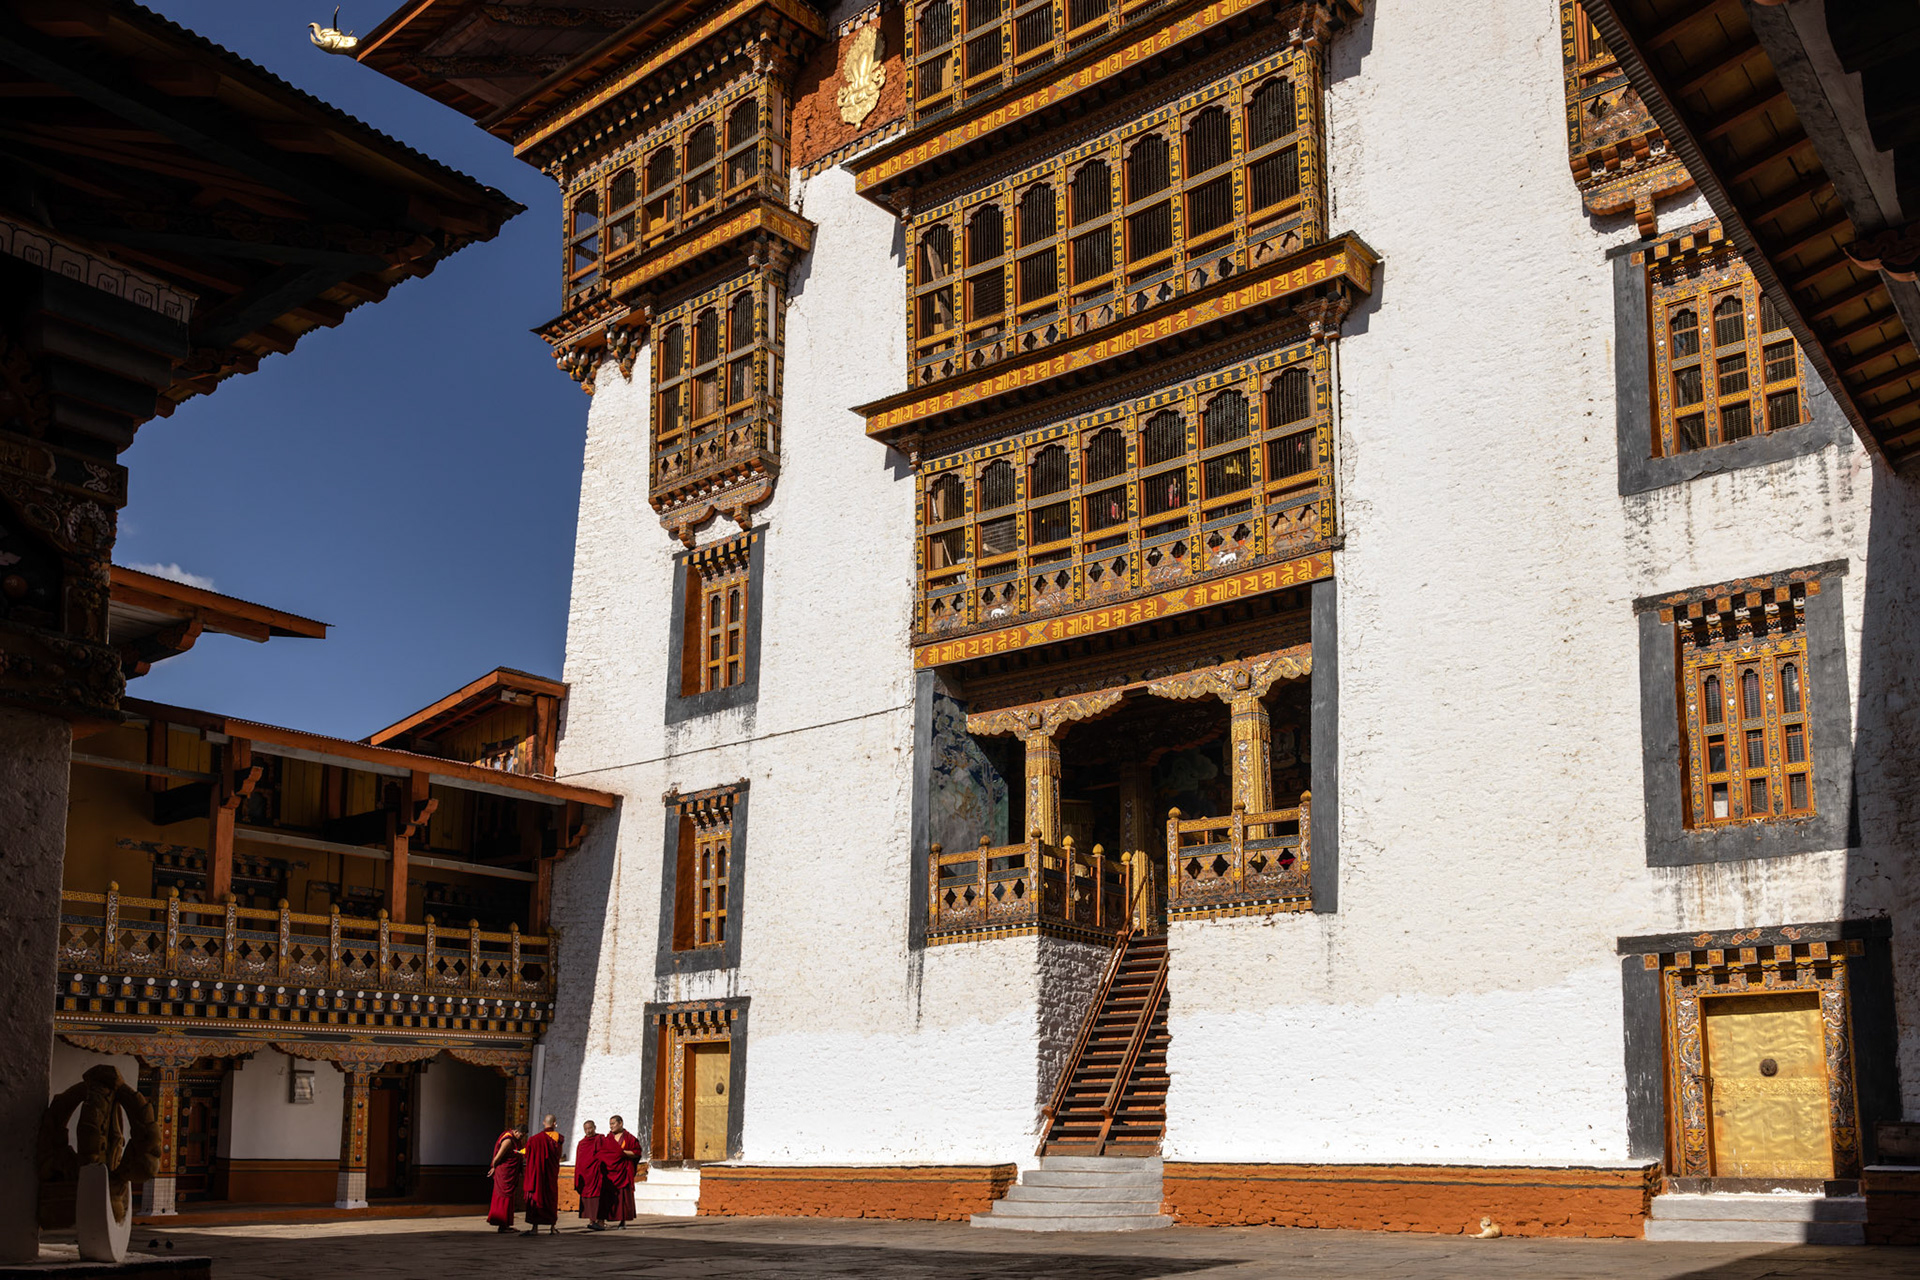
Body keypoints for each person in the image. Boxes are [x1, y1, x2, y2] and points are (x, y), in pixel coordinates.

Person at [521, 1114, 564, 1236]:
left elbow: (527, 1154)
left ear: (543, 1123)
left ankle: (535, 1228)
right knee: (550, 1199)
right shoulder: (558, 1138)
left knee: (536, 1199)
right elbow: (557, 1157)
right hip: (550, 1175)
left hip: (536, 1176)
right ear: (555, 1123)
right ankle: (552, 1228)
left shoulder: (534, 1139)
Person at [603, 1116, 642, 1228]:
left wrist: (622, 1153)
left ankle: (622, 1221)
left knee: (623, 1197)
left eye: (613, 1123)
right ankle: (607, 1217)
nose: (611, 1126)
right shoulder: (608, 1138)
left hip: (623, 1172)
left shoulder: (629, 1138)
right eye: (610, 1124)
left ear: (620, 1123)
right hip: (610, 1172)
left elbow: (637, 1152)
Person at [486, 1125, 525, 1234]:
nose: (521, 1138)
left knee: (509, 1199)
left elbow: (518, 1152)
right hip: (504, 1173)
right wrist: (493, 1167)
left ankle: (506, 1225)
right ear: (516, 1131)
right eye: (521, 1135)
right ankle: (502, 1225)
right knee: (504, 1198)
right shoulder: (508, 1140)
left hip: (510, 1173)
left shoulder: (516, 1139)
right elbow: (498, 1157)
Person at [573, 1120, 610, 1231]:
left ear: (595, 1127)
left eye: (590, 1128)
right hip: (586, 1175)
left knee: (599, 1199)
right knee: (588, 1199)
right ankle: (591, 1221)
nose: (588, 1131)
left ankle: (601, 1222)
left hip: (598, 1175)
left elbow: (606, 1155)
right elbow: (579, 1160)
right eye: (586, 1129)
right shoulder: (582, 1143)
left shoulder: (601, 1140)